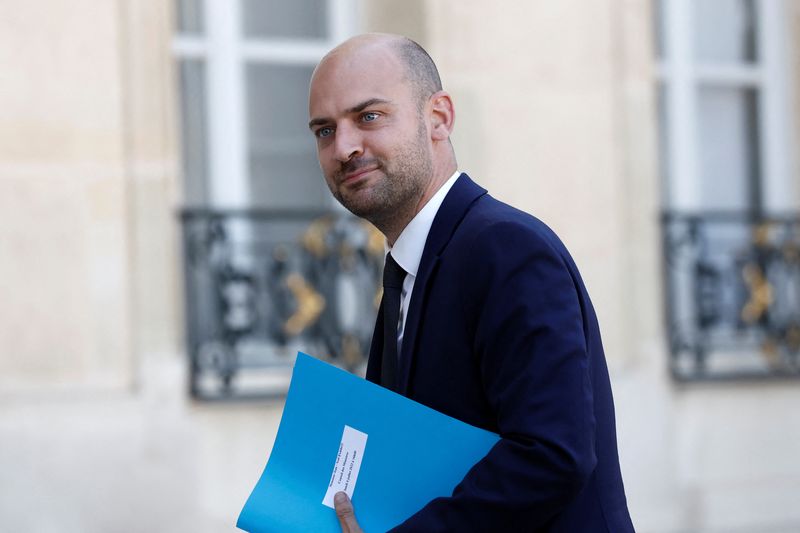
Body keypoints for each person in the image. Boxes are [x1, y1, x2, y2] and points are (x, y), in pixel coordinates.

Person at [307, 33, 635, 532]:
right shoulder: (410, 269)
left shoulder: (506, 249)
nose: (345, 146)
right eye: (324, 131)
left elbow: (553, 456)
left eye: (368, 116)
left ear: (438, 118)